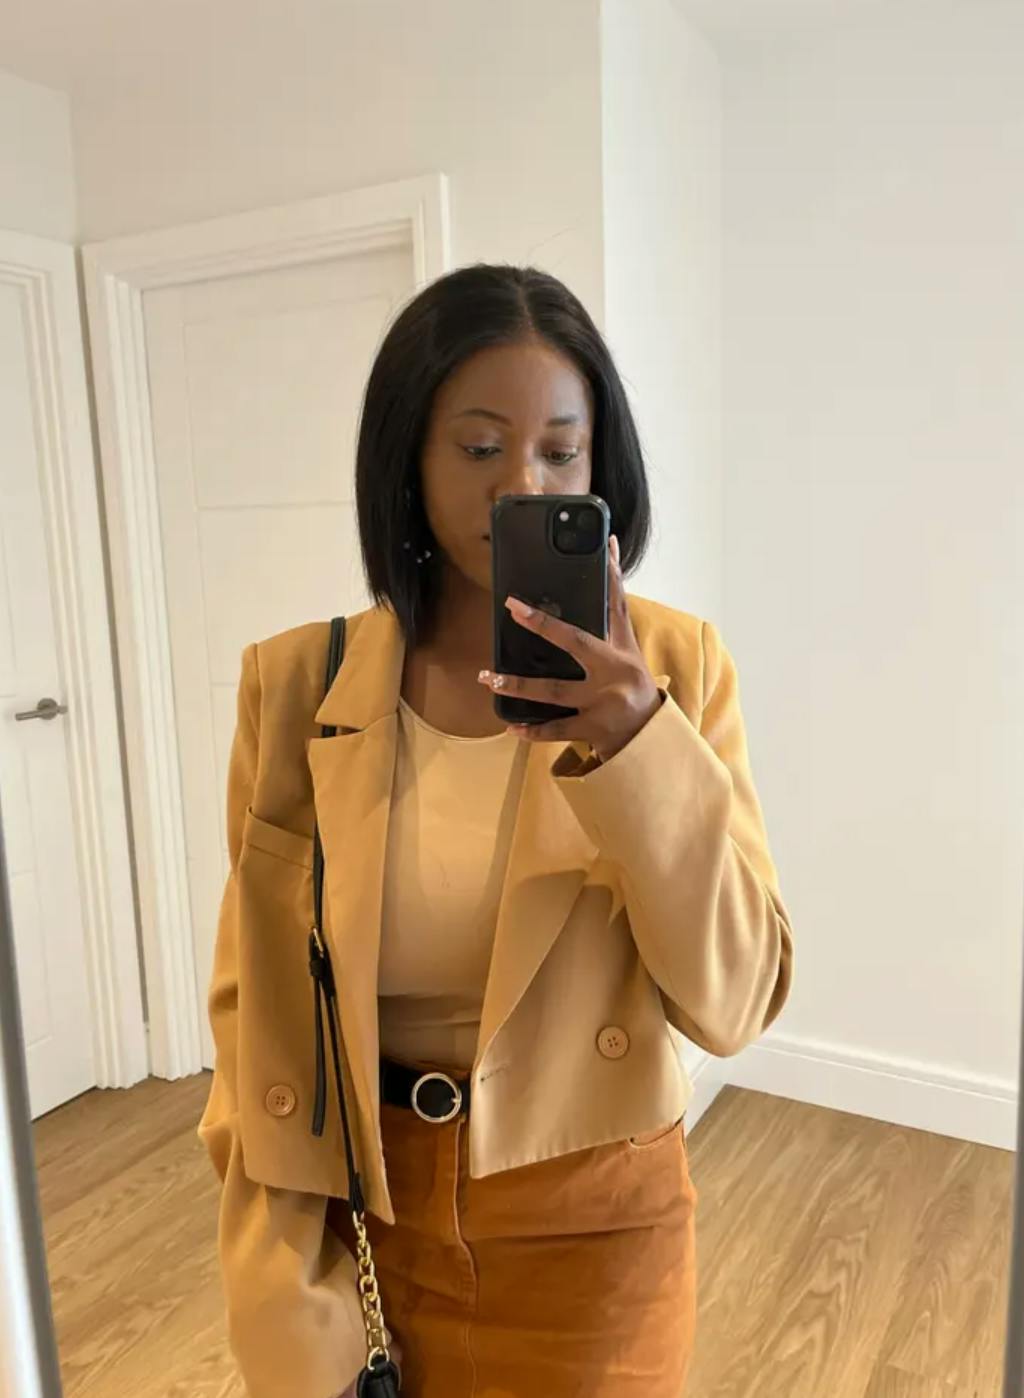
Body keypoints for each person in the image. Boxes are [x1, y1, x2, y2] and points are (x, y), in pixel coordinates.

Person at [198, 263, 794, 1398]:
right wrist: (280, 1280)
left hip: (594, 1231)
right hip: (362, 1219)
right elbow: (255, 1017)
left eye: (561, 452)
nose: (522, 483)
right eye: (479, 447)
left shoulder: (677, 670)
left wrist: (637, 747)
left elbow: (734, 1003)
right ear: (408, 459)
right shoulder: (296, 687)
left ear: (599, 468)